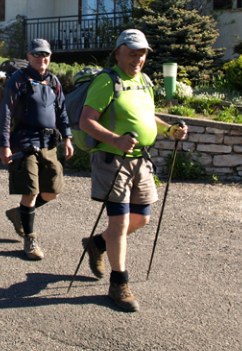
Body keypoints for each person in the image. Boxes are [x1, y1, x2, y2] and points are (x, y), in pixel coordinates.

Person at [78, 29, 188, 312]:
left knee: (141, 219)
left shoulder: (144, 82)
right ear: (118, 53)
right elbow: (86, 122)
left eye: (142, 53)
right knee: (120, 224)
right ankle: (119, 283)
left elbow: (148, 117)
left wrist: (169, 130)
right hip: (112, 161)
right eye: (132, 52)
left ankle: (97, 244)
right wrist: (116, 140)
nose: (138, 58)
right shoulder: (107, 81)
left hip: (140, 160)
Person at [0, 39, 74, 260]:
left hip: (49, 143)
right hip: (25, 142)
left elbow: (62, 112)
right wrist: (4, 145)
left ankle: (19, 214)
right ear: (29, 56)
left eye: (46, 55)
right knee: (30, 191)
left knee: (52, 191)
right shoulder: (18, 80)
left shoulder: (54, 81)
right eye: (38, 54)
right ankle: (30, 239)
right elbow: (6, 113)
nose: (42, 58)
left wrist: (67, 138)